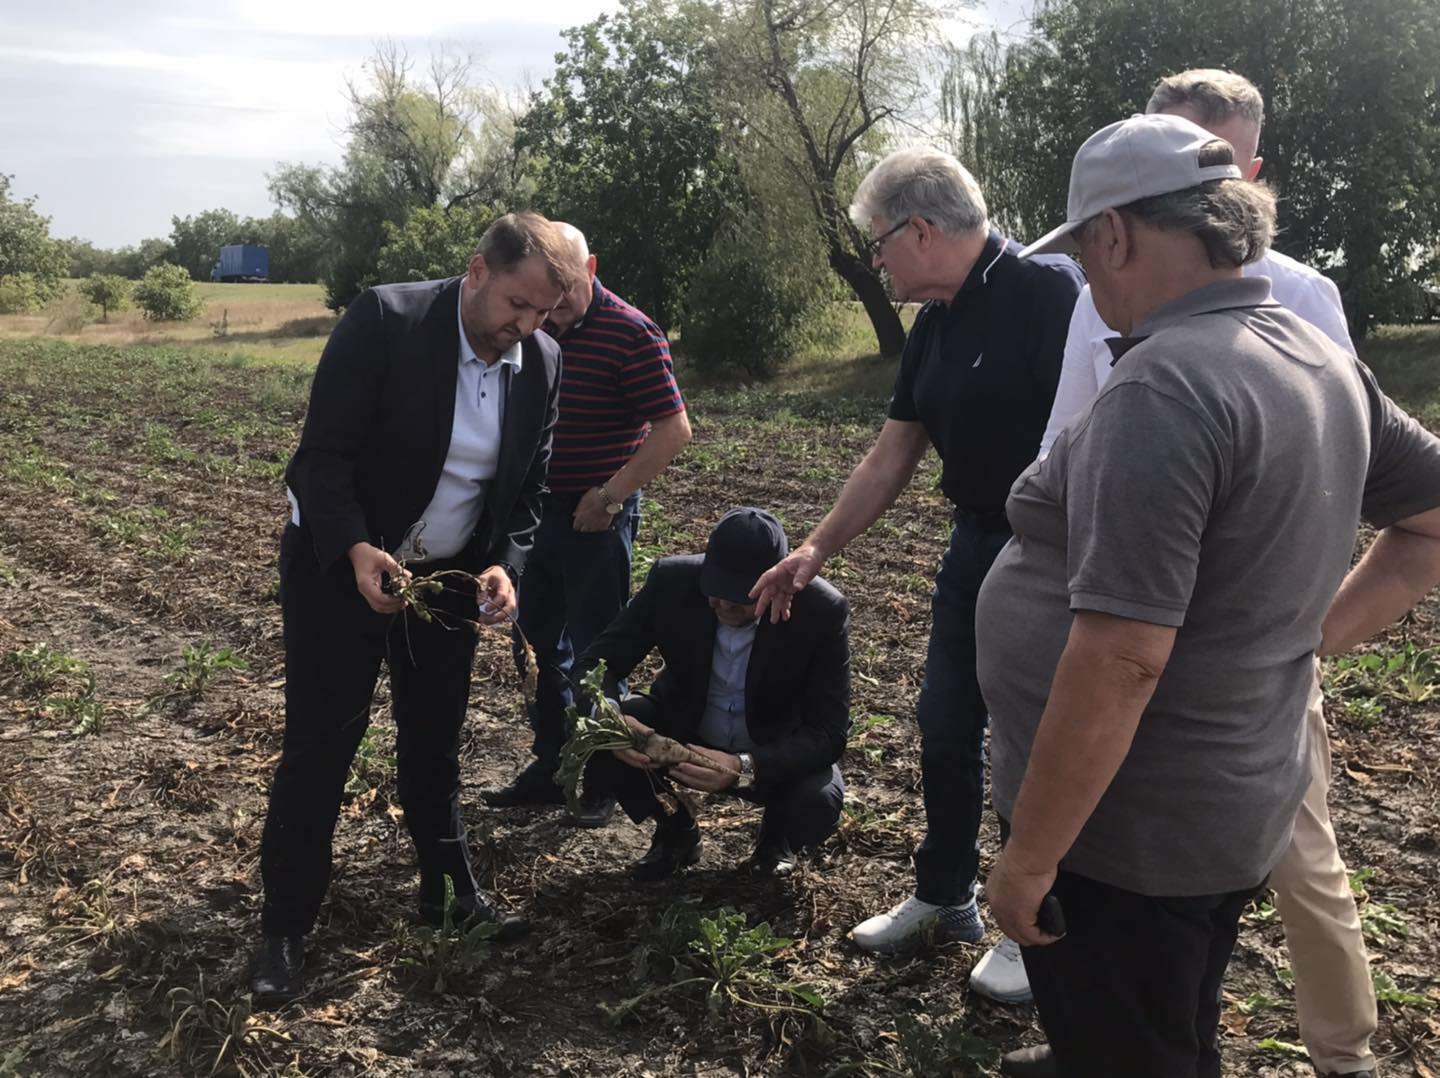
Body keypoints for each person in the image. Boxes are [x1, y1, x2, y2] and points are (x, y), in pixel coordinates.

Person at [976, 112, 1440, 1078]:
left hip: (1127, 833)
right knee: (1162, 1020)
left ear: (1116, 233)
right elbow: (1428, 523)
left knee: (1135, 1041)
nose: (1090, 284)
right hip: (1220, 805)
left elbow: (1122, 658)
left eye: (1087, 255)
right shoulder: (1315, 357)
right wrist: (1303, 639)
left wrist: (1026, 862)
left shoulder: (1167, 387)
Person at [750, 148, 1083, 951]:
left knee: (1033, 741)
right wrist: (817, 550)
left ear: (922, 231)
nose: (873, 261)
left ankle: (1032, 923)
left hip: (1052, 553)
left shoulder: (1051, 294)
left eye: (878, 243)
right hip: (974, 547)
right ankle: (945, 895)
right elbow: (893, 453)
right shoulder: (934, 323)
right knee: (943, 723)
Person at [250, 212, 578, 1004]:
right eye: (514, 305)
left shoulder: (541, 362)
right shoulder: (388, 322)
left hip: (448, 581)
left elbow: (528, 488)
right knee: (322, 745)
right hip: (343, 567)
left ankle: (447, 894)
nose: (524, 327)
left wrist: (504, 564)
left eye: (541, 315)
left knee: (433, 742)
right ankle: (285, 927)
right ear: (475, 271)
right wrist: (359, 550)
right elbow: (318, 461)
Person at [483, 224, 691, 823]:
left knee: (600, 656)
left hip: (596, 519)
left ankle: (601, 780)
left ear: (592, 267)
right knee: (540, 646)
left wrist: (609, 496)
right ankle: (552, 766)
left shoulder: (630, 332)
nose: (558, 300)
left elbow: (674, 430)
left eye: (569, 286)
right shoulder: (532, 325)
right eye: (548, 289)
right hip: (536, 515)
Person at [576, 508, 849, 878]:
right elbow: (598, 663)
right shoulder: (672, 582)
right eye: (715, 590)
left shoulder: (821, 611)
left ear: (778, 581)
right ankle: (676, 832)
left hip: (768, 743)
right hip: (685, 730)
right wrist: (609, 715)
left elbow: (828, 733)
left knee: (818, 799)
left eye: (741, 596)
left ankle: (775, 843)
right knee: (605, 739)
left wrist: (744, 767)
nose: (723, 604)